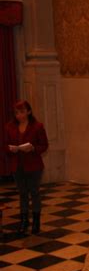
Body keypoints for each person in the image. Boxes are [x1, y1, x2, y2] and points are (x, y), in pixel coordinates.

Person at [4, 100, 49, 234]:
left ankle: (36, 221)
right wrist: (10, 149)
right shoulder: (9, 127)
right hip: (17, 165)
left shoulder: (37, 126)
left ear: (29, 112)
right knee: (22, 193)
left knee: (34, 192)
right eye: (16, 113)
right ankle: (24, 220)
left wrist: (33, 148)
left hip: (34, 165)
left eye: (22, 112)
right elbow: (5, 145)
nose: (19, 115)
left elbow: (44, 145)